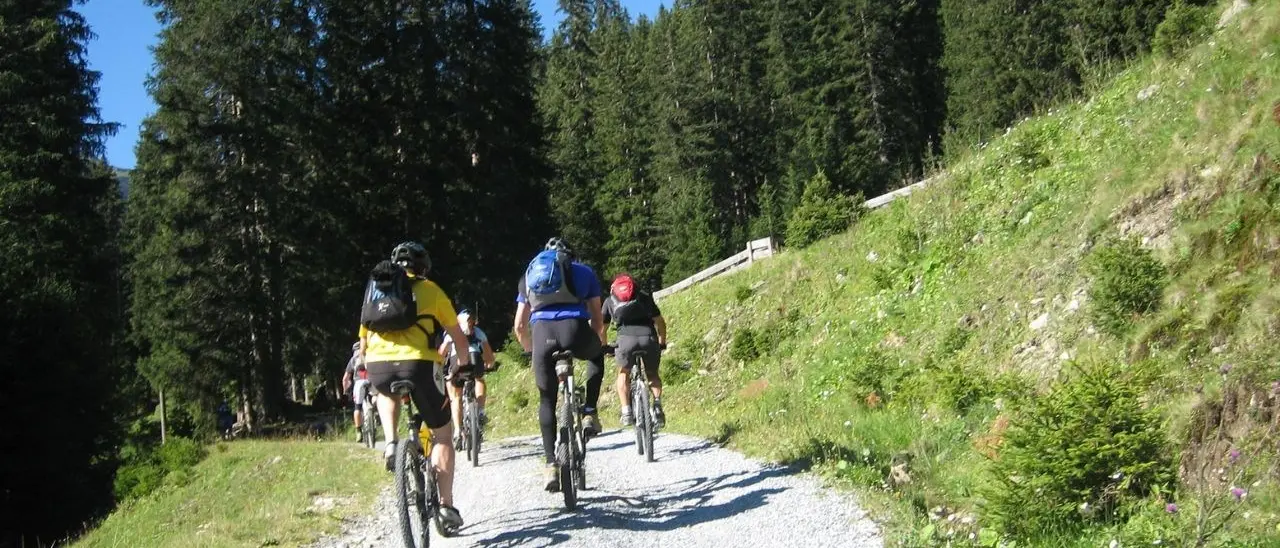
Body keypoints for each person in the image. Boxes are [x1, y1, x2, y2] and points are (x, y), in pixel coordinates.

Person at [356, 241, 469, 529]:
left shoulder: (375, 290)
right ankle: (445, 506)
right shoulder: (430, 290)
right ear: (423, 267)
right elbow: (457, 335)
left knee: (385, 392)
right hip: (419, 365)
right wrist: (462, 365)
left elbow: (364, 341)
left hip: (379, 367)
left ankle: (392, 442)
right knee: (443, 435)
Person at [513, 237, 607, 492]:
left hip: (542, 334)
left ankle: (550, 464)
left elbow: (519, 326)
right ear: (570, 257)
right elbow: (597, 318)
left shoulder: (529, 277)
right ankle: (588, 412)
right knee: (597, 356)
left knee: (546, 399)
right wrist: (596, 339)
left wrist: (531, 350)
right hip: (575, 330)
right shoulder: (584, 272)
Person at [602, 273, 668, 428]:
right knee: (652, 374)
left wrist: (604, 346)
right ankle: (657, 405)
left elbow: (602, 330)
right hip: (648, 338)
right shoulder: (644, 297)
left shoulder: (609, 301)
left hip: (625, 341)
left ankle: (626, 411)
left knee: (623, 373)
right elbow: (660, 322)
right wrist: (662, 342)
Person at [439, 309, 496, 441]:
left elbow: (442, 351)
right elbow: (488, 353)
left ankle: (458, 431)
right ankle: (480, 411)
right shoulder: (478, 332)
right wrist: (489, 363)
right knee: (479, 379)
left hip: (456, 360)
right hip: (475, 358)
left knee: (456, 397)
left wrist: (439, 364)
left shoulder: (452, 331)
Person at [341, 341, 371, 442]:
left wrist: (345, 391)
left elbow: (345, 378)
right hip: (372, 380)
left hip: (359, 382)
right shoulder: (371, 354)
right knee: (379, 399)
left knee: (357, 407)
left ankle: (358, 432)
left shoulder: (353, 359)